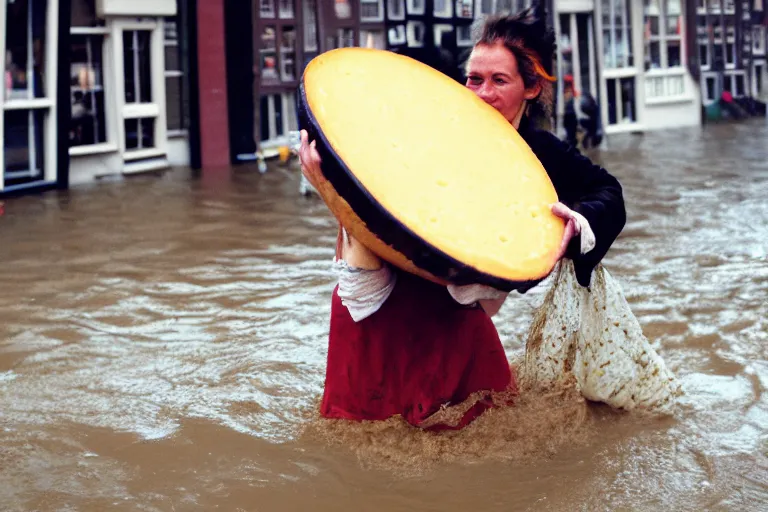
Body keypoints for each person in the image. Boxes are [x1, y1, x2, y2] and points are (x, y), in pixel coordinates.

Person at [298, 7, 626, 431]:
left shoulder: (540, 155)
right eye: (474, 78)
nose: (482, 93)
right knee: (358, 450)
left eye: (498, 80)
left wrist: (575, 223)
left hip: (457, 320)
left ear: (530, 88)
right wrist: (328, 187)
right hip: (376, 308)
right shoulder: (425, 123)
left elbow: (609, 194)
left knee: (479, 450)